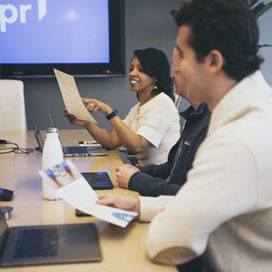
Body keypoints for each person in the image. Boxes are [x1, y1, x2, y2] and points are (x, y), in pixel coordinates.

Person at [97, 0, 272, 271]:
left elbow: (166, 242)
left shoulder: (239, 139)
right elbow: (202, 203)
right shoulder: (253, 111)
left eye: (180, 53)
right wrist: (139, 207)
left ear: (213, 61)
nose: (174, 68)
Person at [65, 47, 180, 166]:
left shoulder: (162, 103)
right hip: (148, 175)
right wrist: (86, 122)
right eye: (131, 68)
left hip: (162, 179)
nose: (132, 73)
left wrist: (108, 111)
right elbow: (111, 141)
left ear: (155, 77)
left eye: (140, 70)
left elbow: (138, 146)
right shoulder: (139, 107)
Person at [115, 95, 210, 197]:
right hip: (163, 193)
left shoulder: (211, 123)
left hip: (169, 199)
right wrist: (139, 171)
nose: (173, 78)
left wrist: (136, 179)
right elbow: (173, 167)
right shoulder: (196, 116)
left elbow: (193, 196)